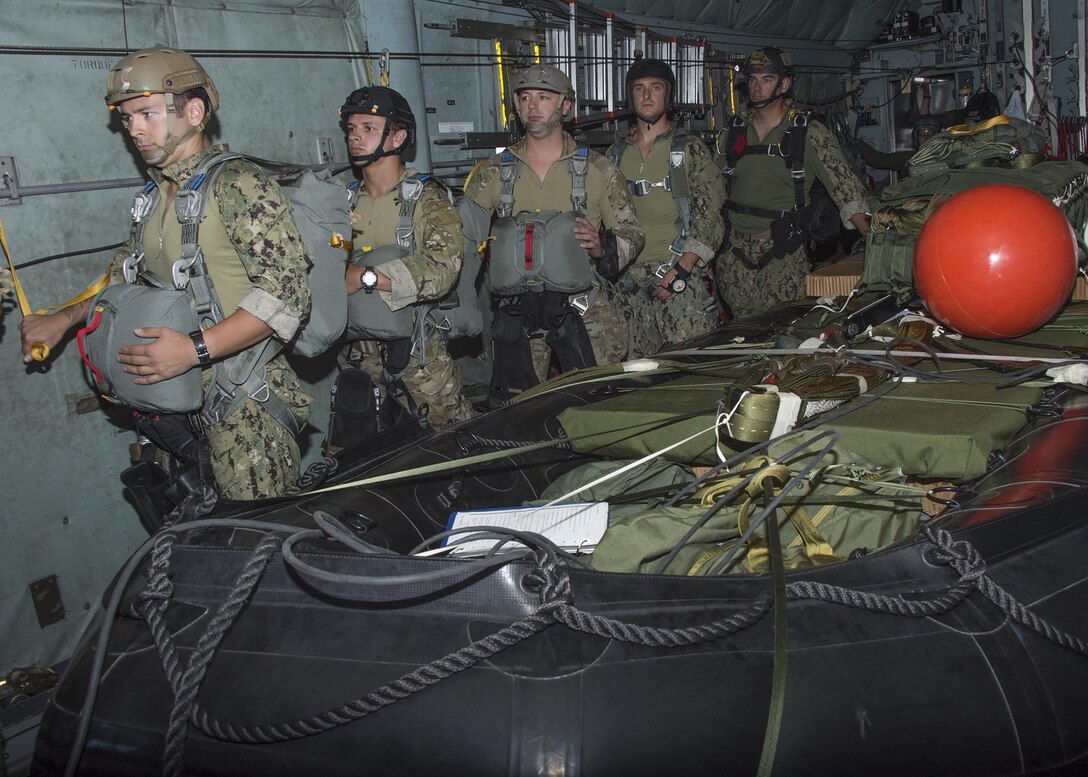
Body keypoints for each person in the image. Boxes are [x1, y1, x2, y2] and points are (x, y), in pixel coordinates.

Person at [19, 46, 312, 502]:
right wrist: (66, 318)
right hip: (175, 401)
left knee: (257, 543)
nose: (133, 129)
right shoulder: (153, 198)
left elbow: (288, 294)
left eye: (147, 114)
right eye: (126, 117)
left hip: (244, 408)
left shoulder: (239, 185)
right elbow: (123, 278)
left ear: (193, 112)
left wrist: (194, 350)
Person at [462, 64, 644, 402]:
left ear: (565, 106)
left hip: (582, 305)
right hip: (517, 310)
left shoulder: (597, 169)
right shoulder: (493, 172)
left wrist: (602, 247)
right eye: (525, 97)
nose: (533, 106)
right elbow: (462, 238)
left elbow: (631, 233)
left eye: (544, 97)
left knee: (596, 400)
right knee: (520, 408)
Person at [339, 86, 473, 427]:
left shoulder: (427, 199)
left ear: (397, 137)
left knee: (445, 448)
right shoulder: (341, 203)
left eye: (368, 128)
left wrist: (366, 277)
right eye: (351, 129)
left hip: (419, 357)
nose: (356, 137)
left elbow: (444, 267)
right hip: (357, 355)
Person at [715, 47, 871, 319]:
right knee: (741, 333)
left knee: (782, 328)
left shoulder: (807, 132)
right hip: (734, 254)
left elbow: (845, 189)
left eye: (766, 79)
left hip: (781, 254)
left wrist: (872, 241)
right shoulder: (734, 132)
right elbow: (712, 191)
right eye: (752, 79)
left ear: (784, 84)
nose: (757, 87)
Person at [606, 58, 726, 357]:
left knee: (692, 369)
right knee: (633, 379)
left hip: (677, 275)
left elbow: (710, 214)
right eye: (639, 88)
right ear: (630, 97)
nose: (647, 95)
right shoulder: (614, 155)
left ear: (668, 96)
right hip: (629, 285)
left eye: (655, 88)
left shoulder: (690, 149)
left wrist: (683, 269)